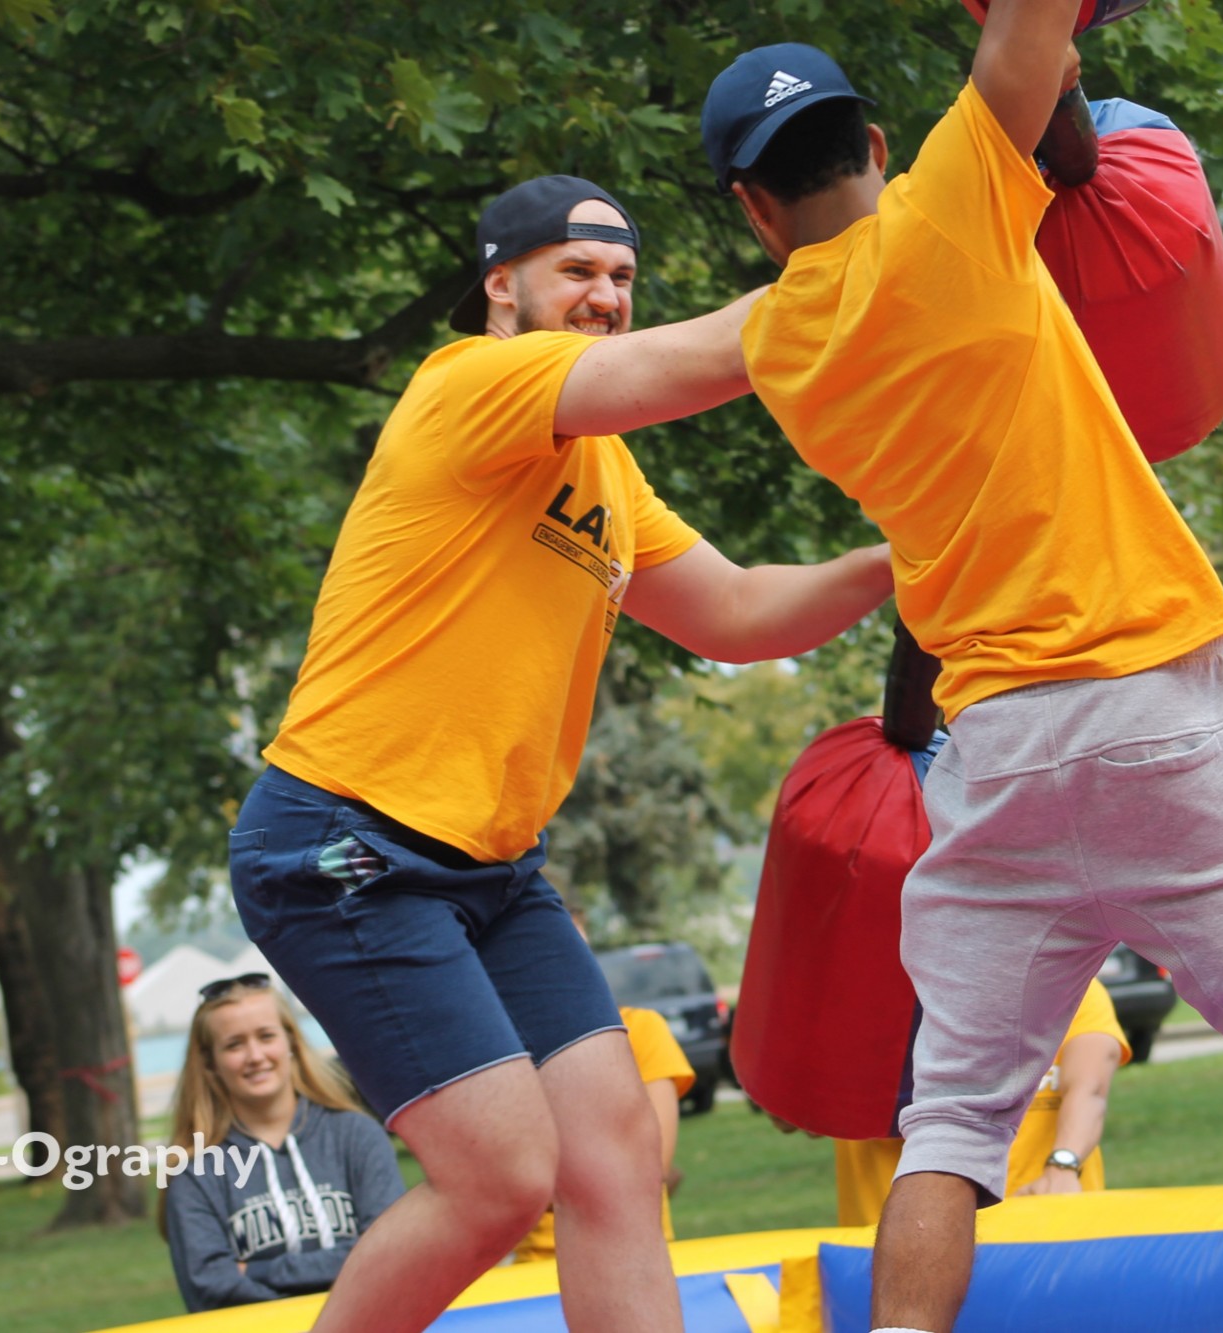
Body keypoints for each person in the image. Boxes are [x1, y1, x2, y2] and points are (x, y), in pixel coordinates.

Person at [698, 9, 1223, 1332]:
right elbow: (1026, 64)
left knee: (951, 1127)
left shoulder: (780, 347)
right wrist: (1059, 35)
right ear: (875, 142)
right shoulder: (955, 202)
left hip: (1000, 748)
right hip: (1158, 699)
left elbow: (643, 371)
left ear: (753, 212)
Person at [228, 173, 894, 1333]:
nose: (604, 296)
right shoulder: (474, 380)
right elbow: (698, 361)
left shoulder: (603, 469)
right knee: (499, 1179)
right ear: (503, 287)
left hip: (490, 871)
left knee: (614, 1160)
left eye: (623, 278)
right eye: (576, 272)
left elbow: (735, 612)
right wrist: (882, 258)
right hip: (345, 843)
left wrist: (905, 558)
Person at [160, 975, 405, 1313]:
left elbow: (392, 1256)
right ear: (209, 1062)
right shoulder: (194, 1170)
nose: (255, 1056)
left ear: (290, 1040)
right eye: (234, 1045)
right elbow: (209, 1287)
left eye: (266, 1036)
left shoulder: (358, 1136)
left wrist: (258, 1271)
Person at [835, 979, 1127, 1227]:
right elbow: (796, 1109)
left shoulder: (1068, 985)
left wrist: (1062, 1166)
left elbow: (1089, 1088)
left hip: (1047, 1226)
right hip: (896, 1239)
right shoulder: (852, 996)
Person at [514, 1005, 696, 1262]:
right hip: (541, 1267)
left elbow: (650, 1168)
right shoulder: (498, 1043)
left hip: (643, 1258)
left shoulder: (637, 1026)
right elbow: (509, 1182)